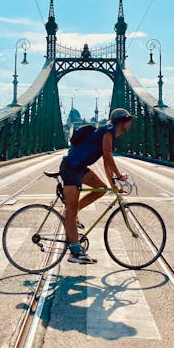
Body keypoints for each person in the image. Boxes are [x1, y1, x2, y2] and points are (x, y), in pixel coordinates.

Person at [59, 108, 133, 264]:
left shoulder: (108, 132)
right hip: (71, 168)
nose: (130, 123)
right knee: (71, 212)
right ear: (122, 122)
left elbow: (106, 162)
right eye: (129, 120)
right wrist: (119, 175)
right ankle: (75, 252)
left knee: (100, 189)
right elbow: (108, 156)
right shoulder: (109, 131)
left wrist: (112, 184)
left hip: (79, 168)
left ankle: (72, 214)